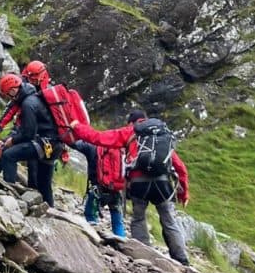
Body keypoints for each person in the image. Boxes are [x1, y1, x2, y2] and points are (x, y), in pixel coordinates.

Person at [69, 109, 190, 265]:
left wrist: (77, 126)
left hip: (139, 182)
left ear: (132, 122)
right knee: (169, 219)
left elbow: (98, 138)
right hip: (163, 183)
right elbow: (180, 167)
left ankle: (144, 255)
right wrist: (184, 193)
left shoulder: (130, 131)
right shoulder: (160, 136)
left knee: (139, 217)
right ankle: (181, 259)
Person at [0, 73, 61, 207]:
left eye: (8, 94)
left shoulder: (27, 104)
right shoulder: (34, 98)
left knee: (8, 155)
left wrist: (11, 142)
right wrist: (6, 140)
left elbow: (28, 133)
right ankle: (50, 209)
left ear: (13, 90)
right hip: (55, 145)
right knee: (44, 182)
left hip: (44, 144)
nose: (9, 98)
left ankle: (10, 196)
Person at [71, 140, 126, 236]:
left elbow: (74, 144)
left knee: (90, 215)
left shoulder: (92, 146)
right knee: (118, 223)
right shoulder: (119, 149)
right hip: (116, 191)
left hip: (97, 190)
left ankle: (94, 239)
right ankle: (121, 242)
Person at [0, 60, 50, 135]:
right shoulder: (23, 84)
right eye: (29, 79)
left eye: (33, 80)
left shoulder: (45, 89)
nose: (30, 81)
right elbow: (12, 107)